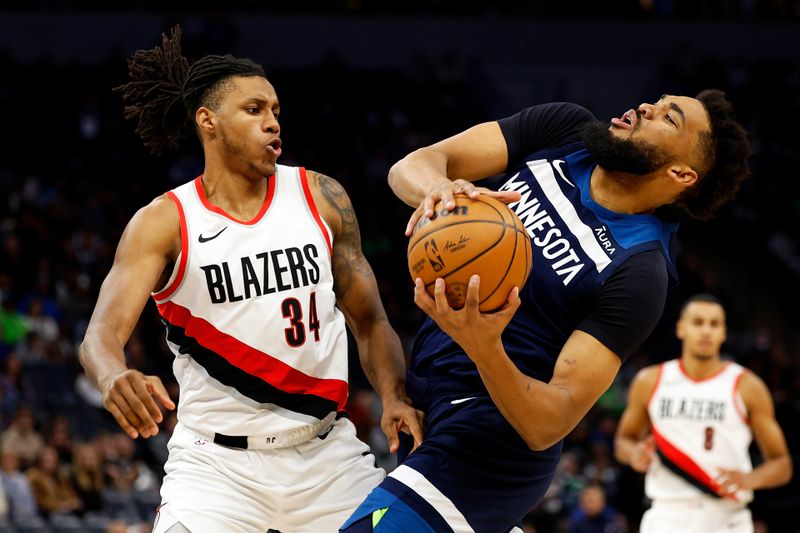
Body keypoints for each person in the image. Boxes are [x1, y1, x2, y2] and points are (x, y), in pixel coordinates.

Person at [342, 90, 751, 532]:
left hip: (492, 443)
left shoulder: (641, 270)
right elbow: (411, 167)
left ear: (681, 174)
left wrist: (485, 348)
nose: (647, 108)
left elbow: (549, 422)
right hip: (428, 398)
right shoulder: (563, 130)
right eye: (656, 101)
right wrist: (440, 191)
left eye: (669, 119)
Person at [78, 27, 422, 533]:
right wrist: (113, 376)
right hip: (216, 471)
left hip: (327, 458)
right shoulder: (165, 221)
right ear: (208, 121)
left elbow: (370, 322)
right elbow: (100, 336)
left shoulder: (321, 196)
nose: (272, 123)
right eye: (254, 109)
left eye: (276, 111)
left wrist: (394, 395)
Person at [614, 294, 792, 532]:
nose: (706, 331)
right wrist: (634, 454)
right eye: (698, 322)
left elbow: (782, 464)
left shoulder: (747, 385)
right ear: (681, 328)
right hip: (666, 515)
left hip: (727, 516)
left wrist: (749, 479)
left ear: (723, 332)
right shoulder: (651, 380)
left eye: (714, 323)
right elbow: (623, 442)